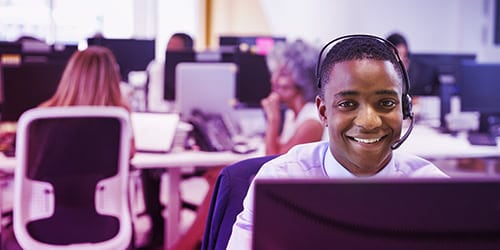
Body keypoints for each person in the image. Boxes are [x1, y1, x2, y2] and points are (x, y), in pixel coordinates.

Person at [226, 35, 449, 249]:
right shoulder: (281, 182)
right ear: (323, 112)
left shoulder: (436, 193)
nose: (369, 121)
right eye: (348, 104)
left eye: (386, 103)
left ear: (404, 109)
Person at [261, 39, 325, 155]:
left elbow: (273, 165)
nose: (273, 80)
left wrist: (273, 119)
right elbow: (279, 149)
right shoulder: (293, 114)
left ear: (302, 80)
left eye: (283, 74)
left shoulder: (311, 122)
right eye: (274, 73)